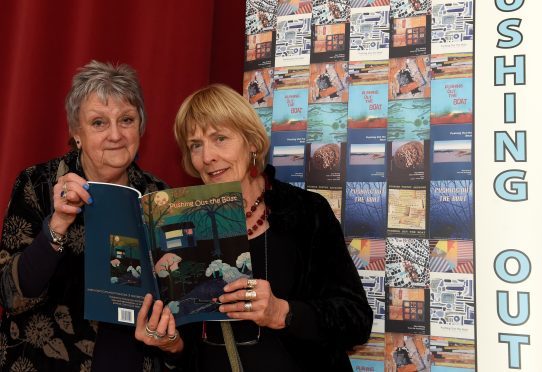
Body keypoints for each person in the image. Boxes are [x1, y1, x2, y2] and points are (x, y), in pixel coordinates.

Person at [135, 84, 373, 371]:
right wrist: (172, 346)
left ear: (251, 142)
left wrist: (281, 312)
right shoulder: (182, 223)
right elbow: (191, 352)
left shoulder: (305, 212)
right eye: (195, 145)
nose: (207, 156)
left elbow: (356, 320)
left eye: (220, 138)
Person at [0, 60, 172, 371]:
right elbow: (10, 296)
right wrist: (57, 225)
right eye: (98, 123)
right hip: (47, 361)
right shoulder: (37, 184)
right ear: (76, 132)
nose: (116, 135)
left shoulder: (160, 195)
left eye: (127, 119)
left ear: (141, 126)